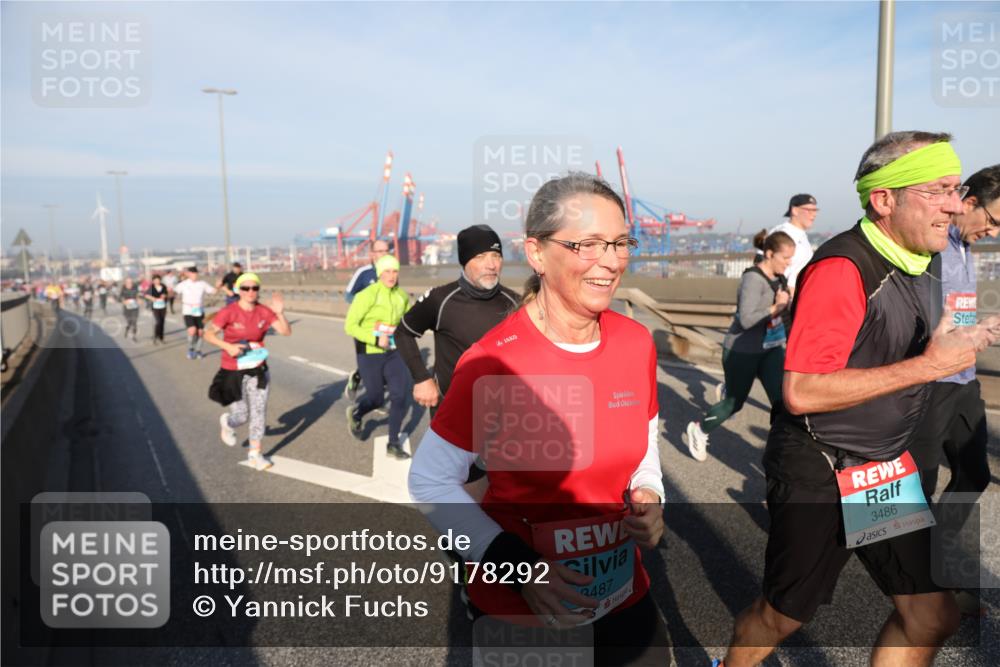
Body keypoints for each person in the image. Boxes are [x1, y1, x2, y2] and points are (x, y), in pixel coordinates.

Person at [719, 132, 1000, 667]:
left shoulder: (917, 261)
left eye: (955, 188)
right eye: (937, 190)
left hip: (881, 467)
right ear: (884, 200)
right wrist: (929, 365)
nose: (953, 203)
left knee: (930, 617)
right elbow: (800, 392)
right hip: (820, 466)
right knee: (782, 616)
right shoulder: (843, 269)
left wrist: (958, 342)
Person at [409, 174, 668, 665]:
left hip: (621, 589)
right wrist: (519, 569)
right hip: (526, 609)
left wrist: (650, 491)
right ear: (536, 253)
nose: (610, 261)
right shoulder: (493, 363)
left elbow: (645, 432)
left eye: (618, 242)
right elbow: (429, 480)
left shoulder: (636, 343)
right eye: (587, 244)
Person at [908, 164, 999, 617]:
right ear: (967, 201)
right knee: (916, 488)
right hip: (930, 384)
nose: (994, 231)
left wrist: (979, 329)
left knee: (974, 474)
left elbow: (954, 314)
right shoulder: (936, 248)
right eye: (994, 220)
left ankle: (935, 562)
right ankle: (922, 584)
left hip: (963, 378)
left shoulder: (965, 249)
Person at [685, 230, 794, 461]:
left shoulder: (780, 278)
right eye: (785, 258)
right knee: (734, 405)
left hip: (770, 349)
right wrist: (777, 307)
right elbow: (746, 320)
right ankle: (700, 429)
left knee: (782, 402)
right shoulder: (753, 279)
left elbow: (783, 313)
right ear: (770, 254)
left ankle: (783, 451)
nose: (789, 263)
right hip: (742, 351)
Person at [395, 224, 519, 412]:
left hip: (502, 412)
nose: (491, 264)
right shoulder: (440, 299)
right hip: (451, 410)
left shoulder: (515, 302)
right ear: (464, 261)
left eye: (496, 256)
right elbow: (403, 332)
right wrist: (421, 378)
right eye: (480, 257)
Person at [205, 273, 291, 471]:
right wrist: (227, 346)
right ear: (238, 290)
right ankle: (228, 422)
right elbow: (208, 334)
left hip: (258, 369)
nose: (250, 292)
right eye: (246, 288)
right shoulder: (229, 312)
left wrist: (280, 313)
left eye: (254, 288)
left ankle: (255, 454)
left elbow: (286, 332)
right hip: (233, 369)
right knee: (242, 415)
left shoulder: (263, 311)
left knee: (259, 411)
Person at [344, 254, 411, 459]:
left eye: (395, 271)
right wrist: (374, 339)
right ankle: (357, 413)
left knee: (399, 396)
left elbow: (408, 321)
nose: (391, 275)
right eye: (387, 271)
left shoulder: (401, 295)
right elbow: (350, 326)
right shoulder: (367, 295)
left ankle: (393, 443)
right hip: (370, 352)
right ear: (380, 273)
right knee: (376, 398)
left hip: (394, 352)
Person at [343, 239, 391, 400]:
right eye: (380, 251)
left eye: (386, 250)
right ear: (372, 254)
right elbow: (348, 294)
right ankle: (358, 376)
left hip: (385, 326)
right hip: (363, 326)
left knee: (385, 360)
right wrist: (364, 306)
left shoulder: (391, 272)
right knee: (369, 363)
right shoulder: (364, 273)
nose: (384, 254)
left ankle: (379, 398)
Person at [768, 193, 818, 292]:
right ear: (794, 210)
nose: (814, 214)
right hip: (784, 294)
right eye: (809, 210)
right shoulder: (782, 233)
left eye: (815, 210)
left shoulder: (803, 236)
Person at [173, 266, 216, 360]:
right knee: (192, 331)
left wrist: (219, 285)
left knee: (200, 332)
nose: (194, 275)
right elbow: (174, 291)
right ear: (188, 274)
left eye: (196, 274)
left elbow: (213, 291)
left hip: (199, 311)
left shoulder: (202, 284)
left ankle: (198, 350)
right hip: (188, 311)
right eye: (192, 274)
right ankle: (191, 348)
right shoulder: (183, 284)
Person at [145, 274, 169, 344]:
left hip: (163, 306)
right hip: (155, 307)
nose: (157, 281)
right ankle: (155, 337)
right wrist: (152, 298)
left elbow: (166, 293)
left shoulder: (163, 286)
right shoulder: (151, 287)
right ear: (153, 281)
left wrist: (164, 295)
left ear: (160, 280)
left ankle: (161, 338)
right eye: (155, 280)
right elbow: (146, 295)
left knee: (162, 322)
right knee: (158, 322)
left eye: (158, 280)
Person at [119, 277, 141, 342]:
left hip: (135, 307)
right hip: (127, 308)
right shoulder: (123, 288)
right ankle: (127, 329)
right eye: (128, 282)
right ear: (125, 283)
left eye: (131, 282)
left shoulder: (135, 287)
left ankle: (134, 336)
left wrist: (139, 299)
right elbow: (120, 297)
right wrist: (124, 301)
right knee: (129, 322)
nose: (129, 283)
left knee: (134, 322)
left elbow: (138, 295)